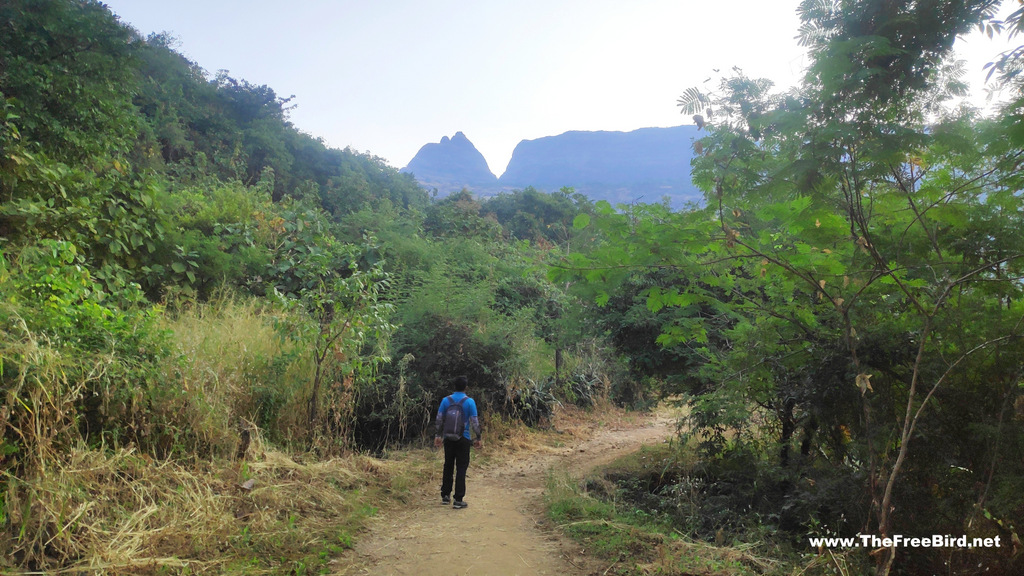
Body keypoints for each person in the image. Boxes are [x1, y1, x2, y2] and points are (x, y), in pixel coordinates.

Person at [434, 375, 482, 509]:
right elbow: (475, 422)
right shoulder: (469, 402)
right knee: (461, 467)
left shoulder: (446, 400)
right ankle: (458, 499)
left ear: (454, 387)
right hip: (464, 439)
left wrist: (438, 435)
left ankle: (445, 495)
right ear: (466, 387)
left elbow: (439, 419)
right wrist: (478, 438)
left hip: (448, 438)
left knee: (448, 465)